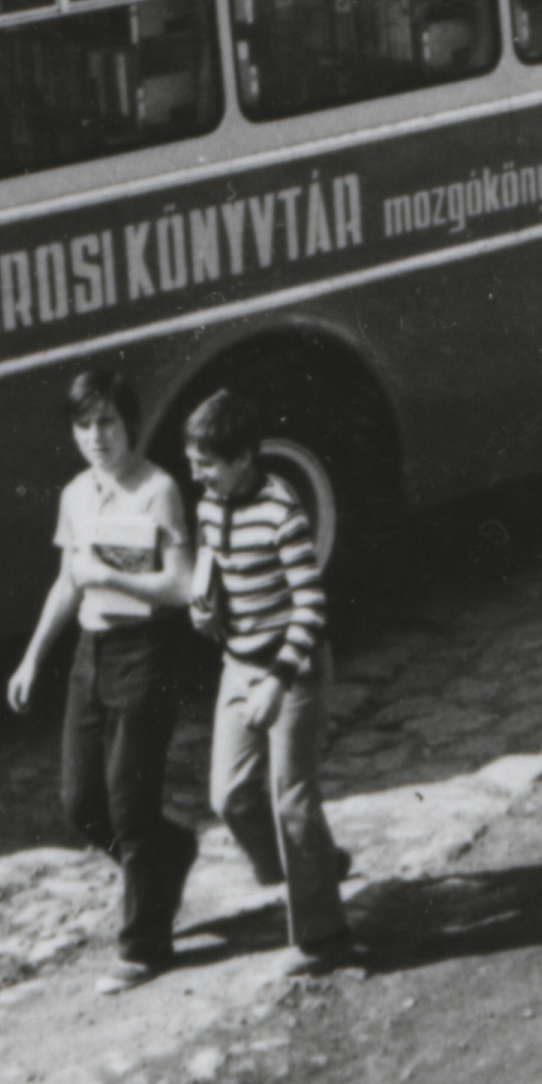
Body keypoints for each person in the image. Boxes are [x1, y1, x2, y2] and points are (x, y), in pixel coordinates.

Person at [8, 365, 198, 980]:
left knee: (129, 801)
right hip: (91, 654)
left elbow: (183, 583)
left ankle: (144, 943)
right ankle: (169, 852)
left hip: (146, 652)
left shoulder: (158, 489)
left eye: (108, 422)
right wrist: (34, 657)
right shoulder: (75, 495)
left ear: (130, 424)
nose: (97, 437)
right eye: (84, 425)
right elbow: (67, 583)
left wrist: (113, 577)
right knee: (81, 802)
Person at [170, 389, 361, 977]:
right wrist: (206, 610)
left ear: (244, 459)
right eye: (193, 461)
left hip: (292, 669)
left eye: (207, 463)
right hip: (240, 664)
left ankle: (323, 937)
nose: (196, 474)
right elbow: (213, 563)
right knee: (229, 796)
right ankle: (315, 867)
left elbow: (310, 607)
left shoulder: (282, 510)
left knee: (293, 797)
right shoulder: (208, 503)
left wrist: (278, 682)